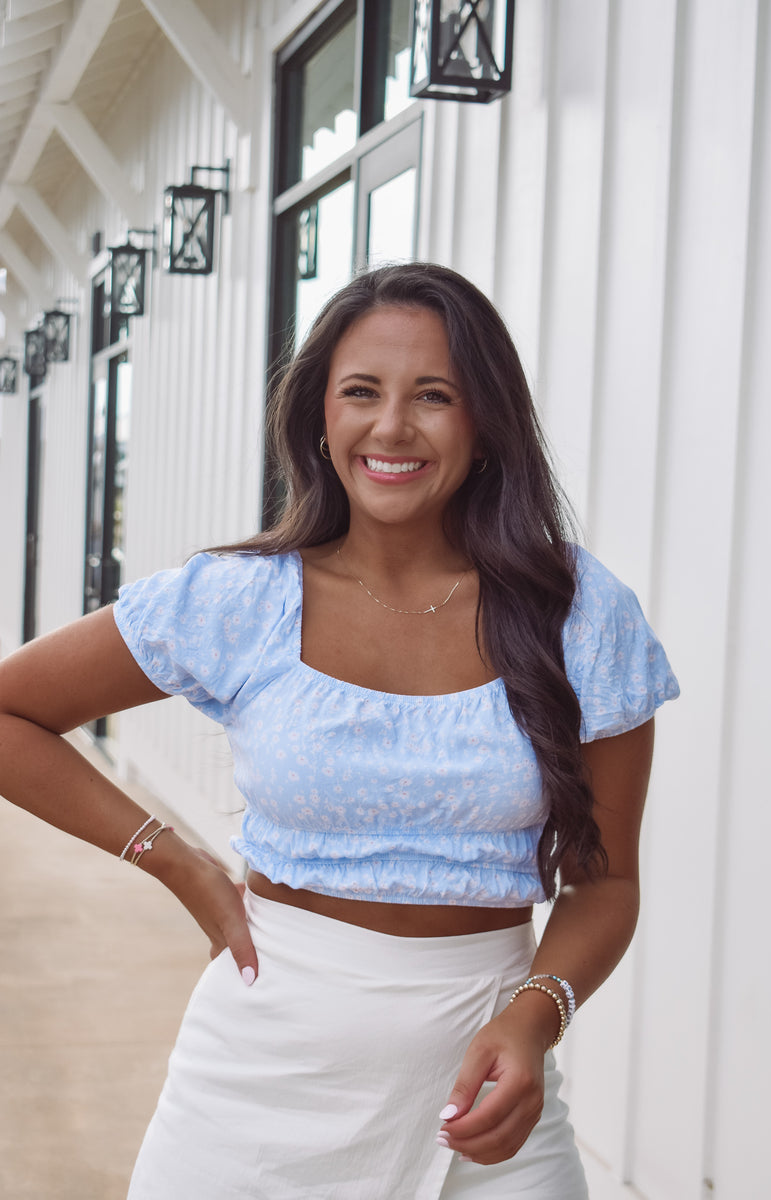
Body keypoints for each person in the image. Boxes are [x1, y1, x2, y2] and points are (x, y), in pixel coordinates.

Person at [0, 263, 678, 1199]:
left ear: (485, 423)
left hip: (484, 1081)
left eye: (433, 395)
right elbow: (10, 711)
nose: (392, 427)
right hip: (257, 1078)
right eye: (361, 392)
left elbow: (608, 884)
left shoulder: (576, 610)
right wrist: (178, 860)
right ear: (319, 416)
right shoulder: (239, 599)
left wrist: (535, 1016)